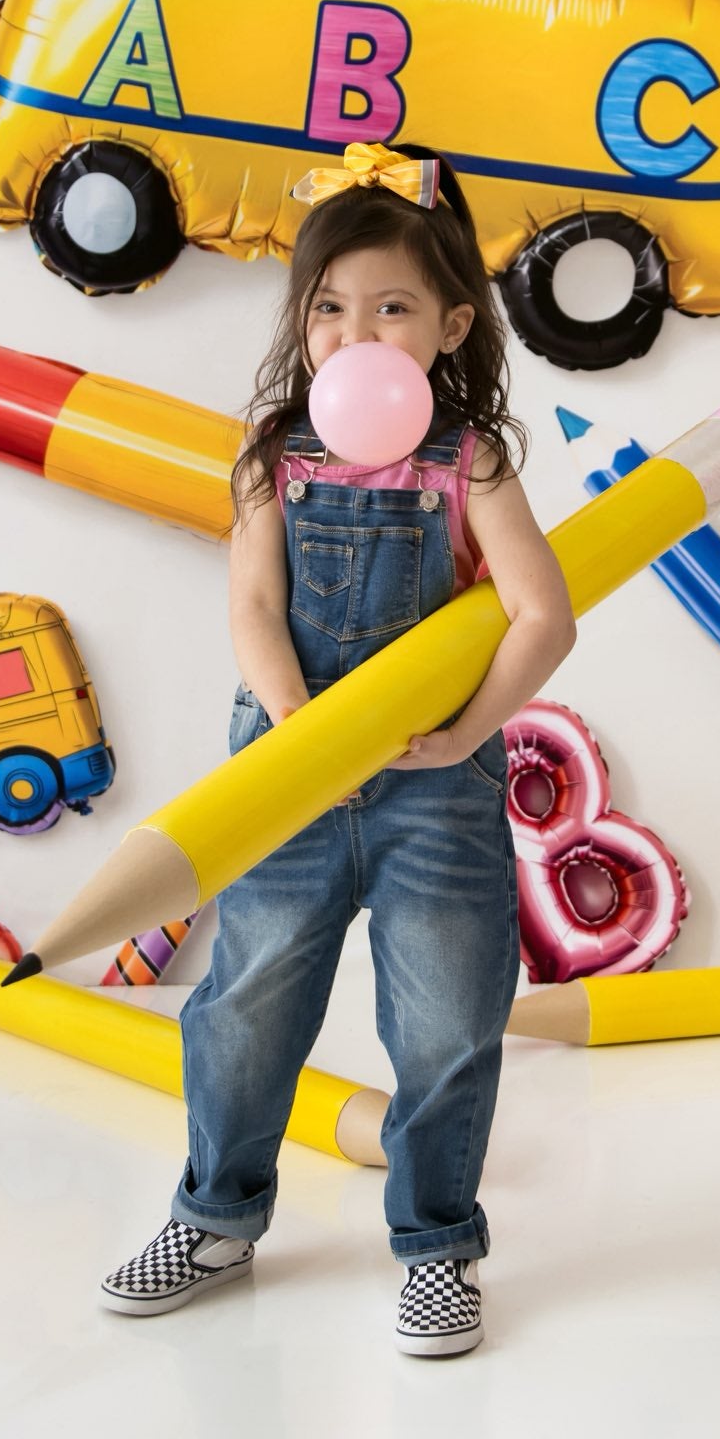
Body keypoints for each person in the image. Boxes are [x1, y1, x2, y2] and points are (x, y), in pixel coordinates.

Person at [101, 141, 576, 1356]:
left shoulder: (469, 459)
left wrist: (468, 730)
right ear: (299, 319)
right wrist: (306, 737)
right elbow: (255, 608)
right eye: (327, 305)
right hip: (288, 776)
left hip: (433, 791)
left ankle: (436, 1246)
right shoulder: (274, 455)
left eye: (391, 305)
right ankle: (214, 1217)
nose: (354, 329)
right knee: (245, 1004)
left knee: (445, 1024)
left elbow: (542, 613)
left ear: (451, 321)